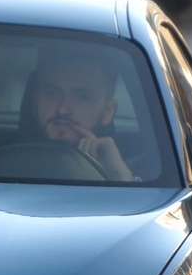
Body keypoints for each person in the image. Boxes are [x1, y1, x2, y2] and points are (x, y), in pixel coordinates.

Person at [26, 50, 138, 181]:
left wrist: (120, 177)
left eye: (82, 98)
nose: (62, 109)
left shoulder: (137, 169)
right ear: (35, 102)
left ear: (107, 112)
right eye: (52, 94)